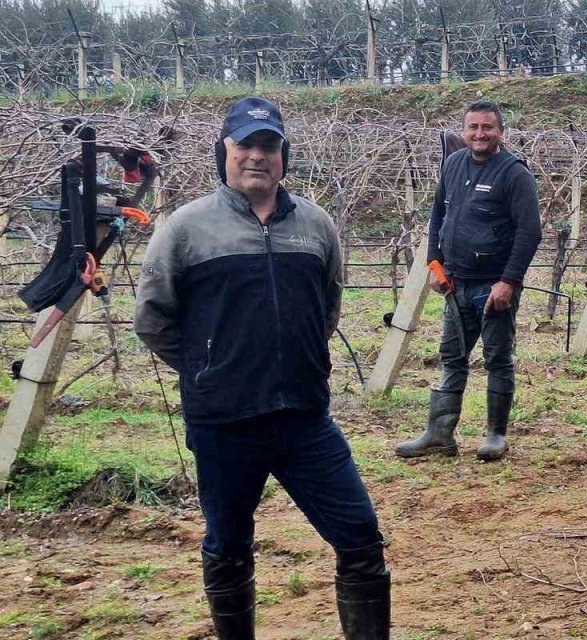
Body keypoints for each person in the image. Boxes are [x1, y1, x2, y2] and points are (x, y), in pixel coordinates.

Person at [135, 97, 390, 640]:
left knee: (360, 536)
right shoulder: (185, 229)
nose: (257, 156)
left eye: (269, 146)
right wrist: (211, 369)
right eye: (245, 145)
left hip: (304, 418)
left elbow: (327, 306)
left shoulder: (316, 226)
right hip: (224, 424)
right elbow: (154, 320)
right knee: (228, 546)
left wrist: (295, 360)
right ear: (223, 152)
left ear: (283, 155)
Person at [394, 101, 541, 462]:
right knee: (451, 356)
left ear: (500, 132)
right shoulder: (453, 164)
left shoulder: (513, 173)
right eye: (473, 127)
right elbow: (437, 217)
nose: (480, 134)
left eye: (487, 128)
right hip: (456, 282)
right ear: (464, 131)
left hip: (493, 286)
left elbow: (530, 231)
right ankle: (440, 433)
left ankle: (495, 434)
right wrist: (435, 264)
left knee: (497, 357)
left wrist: (509, 281)